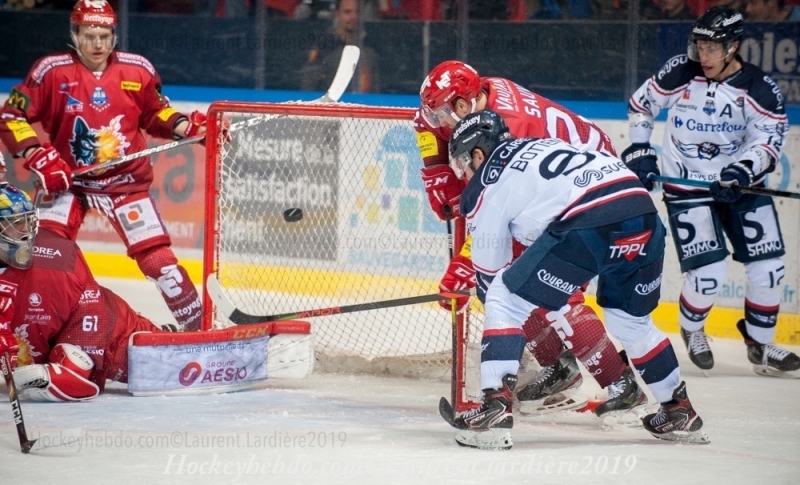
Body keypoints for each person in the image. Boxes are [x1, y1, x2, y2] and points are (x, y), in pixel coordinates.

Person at [446, 110, 708, 449]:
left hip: (591, 221)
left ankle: (494, 410)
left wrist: (489, 302)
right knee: (631, 321)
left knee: (502, 298)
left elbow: (490, 272)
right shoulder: (540, 144)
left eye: (465, 163)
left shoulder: (488, 180)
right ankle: (678, 410)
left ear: (478, 154)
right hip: (643, 214)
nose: (466, 173)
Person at [416, 60, 640, 415]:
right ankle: (559, 366)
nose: (439, 123)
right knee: (509, 280)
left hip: (593, 190)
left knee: (552, 288)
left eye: (444, 114)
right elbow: (423, 123)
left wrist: (464, 264)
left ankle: (621, 383)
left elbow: (493, 216)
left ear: (462, 106)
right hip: (562, 179)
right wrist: (436, 168)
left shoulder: (509, 131)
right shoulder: (477, 96)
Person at [0, 0, 204, 331]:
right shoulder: (51, 71)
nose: (97, 44)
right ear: (74, 34)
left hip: (125, 182)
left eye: (105, 36)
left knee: (159, 262)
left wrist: (185, 126)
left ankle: (197, 328)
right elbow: (11, 115)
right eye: (89, 35)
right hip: (69, 184)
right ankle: (30, 327)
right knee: (44, 256)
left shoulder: (138, 69)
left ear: (114, 36)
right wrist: (36, 154)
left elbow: (156, 113)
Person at [623, 7, 799, 378]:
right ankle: (691, 327)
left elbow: (769, 142)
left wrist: (742, 169)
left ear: (733, 47)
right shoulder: (680, 72)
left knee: (769, 270)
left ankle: (761, 344)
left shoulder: (759, 89)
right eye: (700, 46)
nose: (704, 56)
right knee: (709, 275)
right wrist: (640, 148)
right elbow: (642, 104)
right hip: (688, 187)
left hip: (740, 185)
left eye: (713, 48)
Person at [0, 181, 169, 402]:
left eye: (27, 222)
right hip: (58, 338)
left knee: (160, 361)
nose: (26, 232)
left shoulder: (56, 260)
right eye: (14, 224)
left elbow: (93, 310)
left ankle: (167, 337)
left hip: (103, 329)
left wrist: (51, 374)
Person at [299, 0, 380, 93]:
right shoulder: (322, 46)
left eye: (358, 12)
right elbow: (308, 86)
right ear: (337, 14)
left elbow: (375, 89)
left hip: (364, 105)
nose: (353, 17)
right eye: (347, 12)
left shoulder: (370, 47)